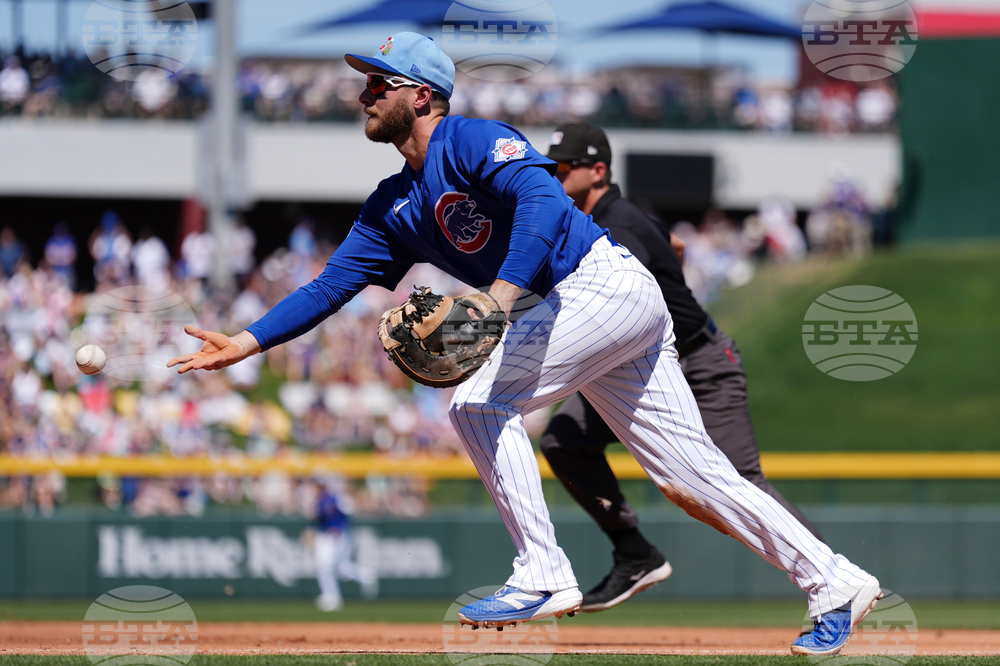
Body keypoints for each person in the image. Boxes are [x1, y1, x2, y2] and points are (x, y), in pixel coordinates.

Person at [167, 32, 880, 655]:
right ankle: (836, 582)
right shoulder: (391, 207)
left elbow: (543, 199)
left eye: (378, 83)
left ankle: (543, 572)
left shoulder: (472, 139)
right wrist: (247, 341)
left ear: (421, 96)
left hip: (598, 283)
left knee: (476, 404)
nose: (364, 95)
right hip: (584, 309)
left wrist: (502, 294)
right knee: (694, 478)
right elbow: (330, 286)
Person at [539, 123, 825, 614]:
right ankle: (635, 555)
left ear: (598, 171)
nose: (555, 176)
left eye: (564, 168)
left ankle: (836, 579)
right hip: (638, 365)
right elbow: (675, 246)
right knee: (563, 440)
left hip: (699, 361)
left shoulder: (618, 223)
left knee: (740, 481)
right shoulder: (614, 219)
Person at [312, 477, 377, 611]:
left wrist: (340, 528)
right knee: (338, 568)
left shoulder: (337, 497)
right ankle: (365, 576)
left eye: (320, 483)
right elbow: (319, 519)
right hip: (326, 535)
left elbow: (350, 512)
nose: (318, 486)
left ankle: (332, 597)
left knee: (328, 566)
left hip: (338, 536)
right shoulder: (320, 499)